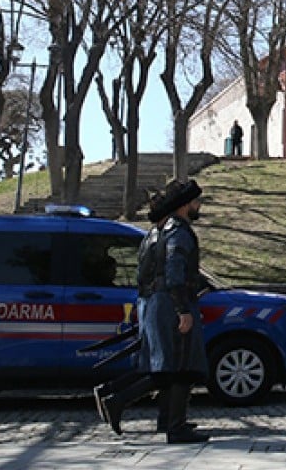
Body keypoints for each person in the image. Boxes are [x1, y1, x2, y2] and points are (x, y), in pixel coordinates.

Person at [101, 179, 209, 443]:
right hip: (171, 303)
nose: (198, 205)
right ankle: (168, 423)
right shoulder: (178, 232)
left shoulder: (157, 232)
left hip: (156, 302)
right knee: (181, 366)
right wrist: (182, 308)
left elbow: (145, 275)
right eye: (196, 201)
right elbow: (174, 271)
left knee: (168, 366)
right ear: (185, 205)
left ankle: (169, 420)